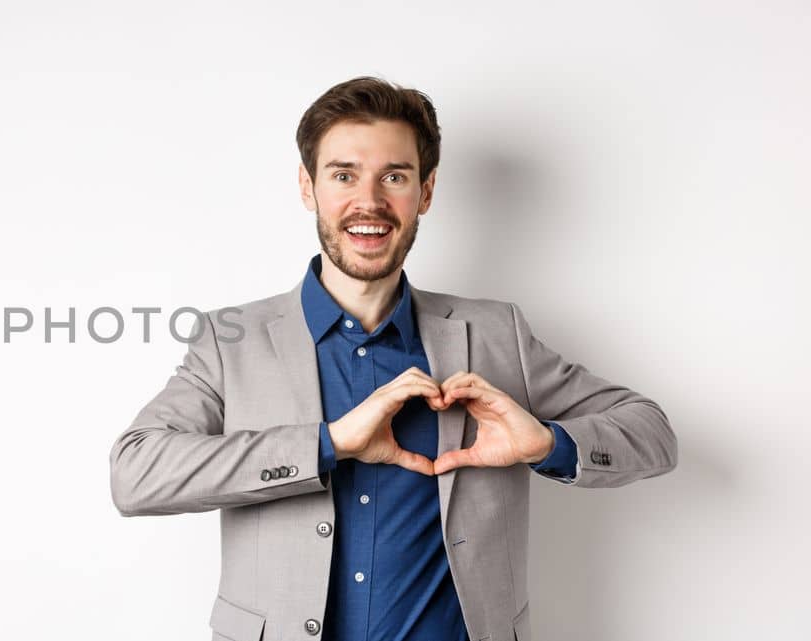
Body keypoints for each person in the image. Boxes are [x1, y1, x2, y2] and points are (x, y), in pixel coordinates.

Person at [108, 76, 678, 641]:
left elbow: (651, 432)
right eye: (343, 175)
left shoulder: (495, 333)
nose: (369, 201)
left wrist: (548, 443)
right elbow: (135, 474)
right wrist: (327, 444)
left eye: (395, 177)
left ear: (426, 192)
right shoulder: (231, 341)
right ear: (308, 187)